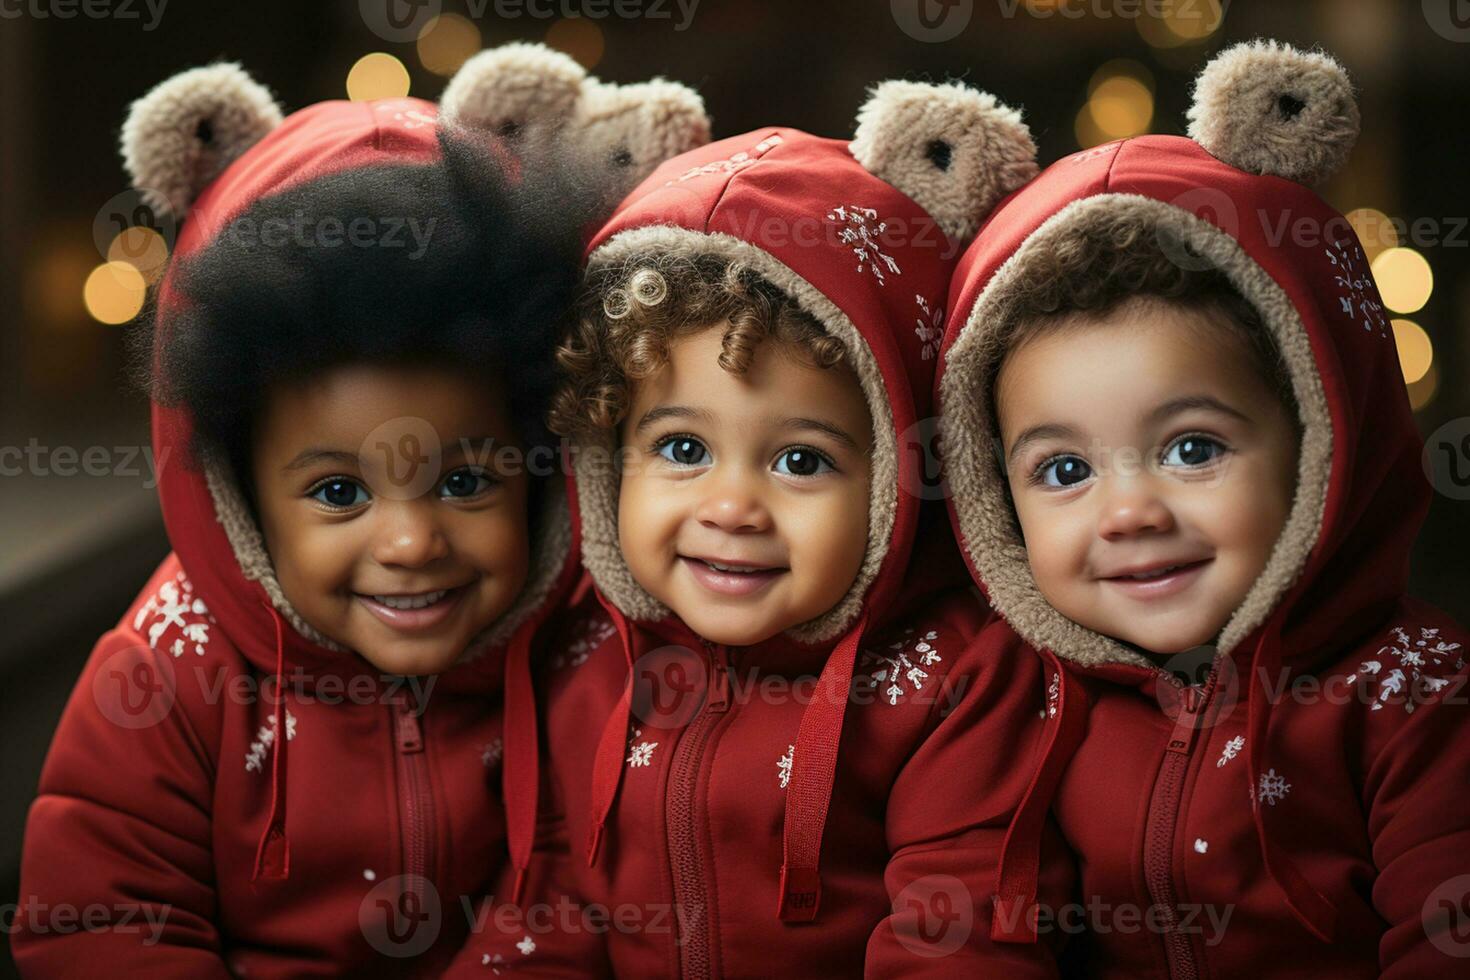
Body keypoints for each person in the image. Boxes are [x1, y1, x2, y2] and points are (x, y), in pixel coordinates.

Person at [13, 44, 707, 976]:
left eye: (467, 482)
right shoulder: (169, 672)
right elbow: (96, 922)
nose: (412, 541)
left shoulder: (581, 649)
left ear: (543, 464)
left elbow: (572, 890)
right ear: (239, 493)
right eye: (339, 493)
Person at [452, 78, 1075, 977]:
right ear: (605, 447)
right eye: (681, 447)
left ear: (903, 476)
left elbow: (962, 933)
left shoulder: (957, 678)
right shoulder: (584, 651)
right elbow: (548, 905)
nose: (732, 508)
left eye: (801, 461)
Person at [936, 40, 1470, 978]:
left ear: (1317, 441)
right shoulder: (1018, 701)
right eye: (1063, 471)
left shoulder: (1412, 695)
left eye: (1193, 449)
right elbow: (976, 927)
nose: (1130, 512)